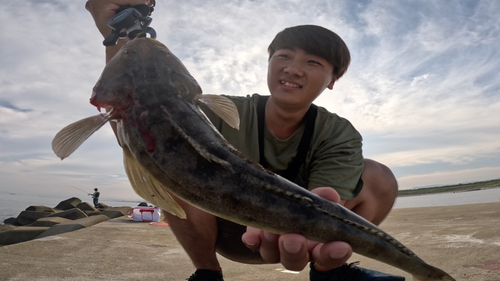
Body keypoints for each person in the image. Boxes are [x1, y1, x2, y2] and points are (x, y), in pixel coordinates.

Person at [86, 1, 403, 280]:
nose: (293, 69)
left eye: (313, 62)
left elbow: (329, 203)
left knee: (377, 177)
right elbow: (145, 135)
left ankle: (328, 273)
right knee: (171, 167)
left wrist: (299, 232)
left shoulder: (338, 133)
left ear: (332, 79)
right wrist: (118, 34)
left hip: (302, 237)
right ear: (268, 63)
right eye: (284, 56)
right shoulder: (221, 109)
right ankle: (207, 274)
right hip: (229, 233)